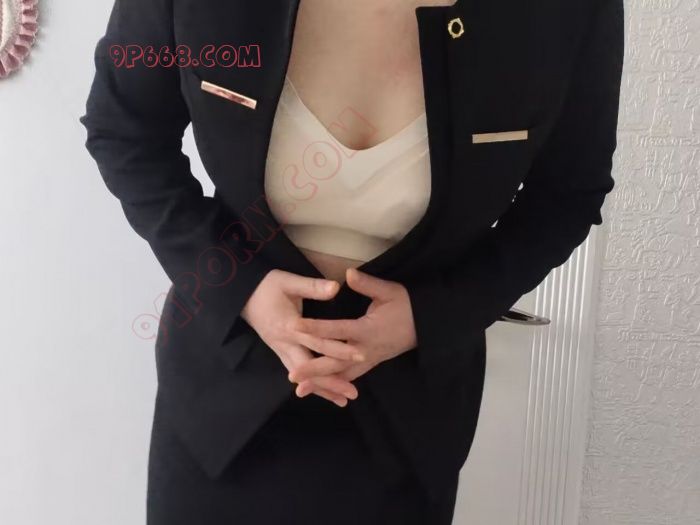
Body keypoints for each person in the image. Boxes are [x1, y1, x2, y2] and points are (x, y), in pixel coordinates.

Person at [79, 0, 625, 523]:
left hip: (407, 419)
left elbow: (568, 195)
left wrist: (433, 314)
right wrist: (242, 288)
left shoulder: (568, 9)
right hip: (222, 391)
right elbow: (124, 130)